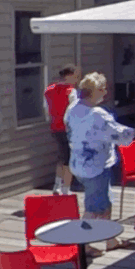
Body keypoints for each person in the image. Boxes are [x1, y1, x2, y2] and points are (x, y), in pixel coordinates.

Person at [65, 72, 135, 250]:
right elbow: (119, 134)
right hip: (95, 167)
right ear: (95, 91)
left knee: (105, 203)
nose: (105, 93)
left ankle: (110, 240)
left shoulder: (73, 108)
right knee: (94, 208)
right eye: (103, 89)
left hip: (78, 164)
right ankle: (84, 246)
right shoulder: (97, 114)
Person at [44, 63, 80, 195]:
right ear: (68, 76)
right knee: (69, 159)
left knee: (62, 156)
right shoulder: (71, 91)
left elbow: (46, 110)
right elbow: (74, 113)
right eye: (75, 76)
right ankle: (66, 189)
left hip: (55, 128)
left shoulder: (48, 90)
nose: (76, 80)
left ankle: (57, 185)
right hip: (68, 129)